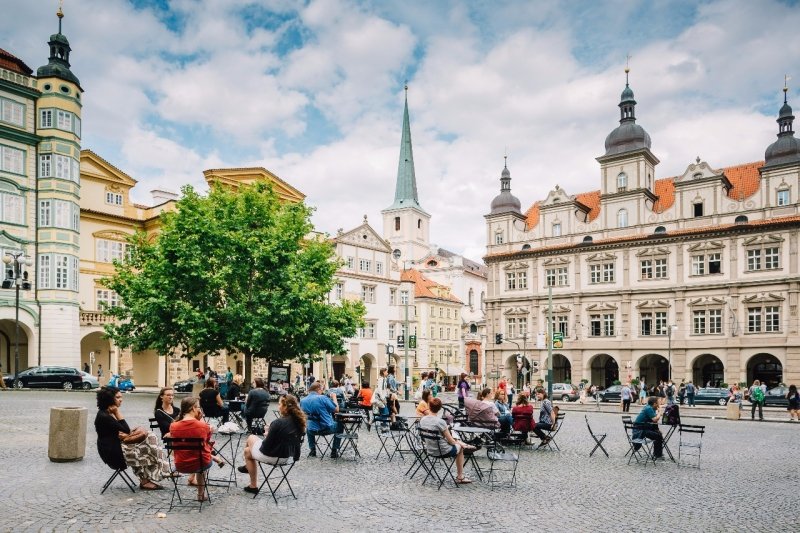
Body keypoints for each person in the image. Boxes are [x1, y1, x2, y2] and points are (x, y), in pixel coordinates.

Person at [95, 386, 168, 491]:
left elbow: (120, 432)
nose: (121, 399)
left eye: (121, 397)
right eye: (118, 397)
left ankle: (148, 479)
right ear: (109, 399)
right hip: (113, 454)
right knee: (148, 449)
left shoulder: (105, 413)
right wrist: (117, 412)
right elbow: (125, 430)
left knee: (150, 439)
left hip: (115, 447)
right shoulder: (105, 416)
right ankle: (160, 473)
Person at [239, 394, 305, 494]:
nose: (278, 406)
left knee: (250, 438)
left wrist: (267, 433)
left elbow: (266, 446)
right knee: (248, 451)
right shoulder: (299, 422)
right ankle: (252, 484)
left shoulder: (278, 422)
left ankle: (249, 474)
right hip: (286, 456)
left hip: (273, 455)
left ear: (285, 407)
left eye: (279, 404)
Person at [169, 396, 224, 502]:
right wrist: (203, 423)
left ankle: (215, 459)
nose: (199, 409)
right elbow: (206, 445)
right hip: (200, 463)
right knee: (202, 461)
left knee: (199, 456)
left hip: (180, 464)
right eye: (198, 407)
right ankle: (200, 494)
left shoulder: (173, 426)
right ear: (193, 408)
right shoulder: (203, 426)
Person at [419, 398, 475, 484]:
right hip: (442, 451)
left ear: (429, 406)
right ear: (440, 408)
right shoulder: (440, 422)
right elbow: (451, 442)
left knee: (456, 441)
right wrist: (458, 443)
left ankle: (463, 444)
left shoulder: (422, 420)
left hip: (430, 450)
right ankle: (460, 477)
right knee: (460, 448)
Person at [300, 381, 343, 458]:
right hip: (326, 428)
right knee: (340, 426)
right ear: (318, 389)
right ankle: (334, 451)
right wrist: (334, 397)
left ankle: (312, 450)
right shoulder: (322, 398)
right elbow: (336, 410)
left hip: (311, 431)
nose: (322, 391)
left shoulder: (303, 401)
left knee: (309, 426)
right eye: (322, 389)